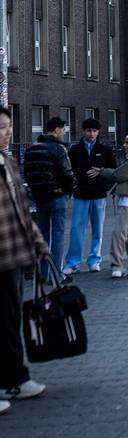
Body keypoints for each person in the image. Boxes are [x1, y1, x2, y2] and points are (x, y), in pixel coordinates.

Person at [0, 106, 49, 409]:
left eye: (7, 126)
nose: (7, 132)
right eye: (1, 127)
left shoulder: (8, 162)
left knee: (10, 321)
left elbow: (23, 210)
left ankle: (15, 380)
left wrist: (39, 242)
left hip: (14, 255)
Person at [23, 117, 75, 279]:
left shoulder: (31, 150)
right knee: (58, 234)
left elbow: (27, 174)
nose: (64, 132)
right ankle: (57, 274)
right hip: (57, 196)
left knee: (42, 234)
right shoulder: (59, 149)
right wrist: (69, 192)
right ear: (58, 129)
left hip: (39, 198)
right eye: (63, 129)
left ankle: (44, 272)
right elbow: (67, 174)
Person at [91, 134, 128, 278]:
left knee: (119, 233)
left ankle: (116, 265)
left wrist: (101, 171)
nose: (124, 145)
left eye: (127, 143)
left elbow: (119, 174)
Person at [64, 118, 116, 275]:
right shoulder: (75, 150)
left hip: (99, 196)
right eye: (88, 130)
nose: (91, 134)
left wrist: (104, 187)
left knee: (97, 230)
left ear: (98, 132)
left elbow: (113, 172)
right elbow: (68, 172)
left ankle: (94, 260)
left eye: (94, 131)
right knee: (76, 230)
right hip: (81, 196)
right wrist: (73, 188)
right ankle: (73, 263)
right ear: (83, 131)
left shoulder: (105, 150)